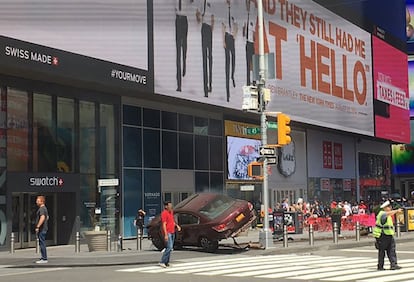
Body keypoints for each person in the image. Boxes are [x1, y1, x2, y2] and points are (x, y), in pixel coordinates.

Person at [373, 200, 403, 271]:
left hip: (388, 235)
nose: (390, 208)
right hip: (382, 235)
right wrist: (397, 211)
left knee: (391, 250)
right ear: (385, 208)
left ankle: (393, 265)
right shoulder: (382, 214)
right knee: (382, 251)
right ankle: (380, 266)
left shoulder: (386, 214)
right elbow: (389, 214)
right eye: (389, 207)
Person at [196, 0, 214, 97]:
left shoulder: (211, 3)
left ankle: (210, 85)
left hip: (209, 29)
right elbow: (198, 13)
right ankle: (205, 89)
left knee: (210, 57)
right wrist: (199, 17)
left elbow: (213, 18)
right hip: (204, 28)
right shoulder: (201, 2)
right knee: (204, 58)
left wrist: (212, 27)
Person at [222, 0, 237, 102]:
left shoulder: (234, 12)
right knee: (227, 62)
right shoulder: (223, 11)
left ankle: (232, 76)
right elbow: (223, 27)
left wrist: (235, 35)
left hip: (232, 37)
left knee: (234, 58)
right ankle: (227, 94)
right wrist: (223, 40)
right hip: (227, 37)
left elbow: (236, 25)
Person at [159, 201, 181, 268]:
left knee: (170, 248)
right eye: (169, 205)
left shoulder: (171, 212)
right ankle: (162, 261)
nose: (171, 206)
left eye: (171, 205)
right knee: (169, 247)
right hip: (168, 232)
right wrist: (165, 234)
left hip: (172, 231)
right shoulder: (164, 213)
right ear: (166, 206)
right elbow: (164, 224)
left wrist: (177, 226)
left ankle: (166, 262)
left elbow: (172, 221)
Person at [175, 0, 189, 92]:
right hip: (178, 20)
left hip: (184, 20)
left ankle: (184, 64)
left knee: (184, 47)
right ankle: (179, 85)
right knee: (178, 53)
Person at [243, 0, 255, 86]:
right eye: (246, 4)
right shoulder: (245, 17)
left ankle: (254, 81)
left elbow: (254, 33)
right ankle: (248, 82)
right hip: (247, 43)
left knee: (252, 63)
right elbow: (243, 32)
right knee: (247, 63)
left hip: (252, 43)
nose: (247, 6)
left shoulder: (252, 17)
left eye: (248, 4)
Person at [35, 195, 49, 263]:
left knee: (42, 243)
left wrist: (38, 226)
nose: (36, 202)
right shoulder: (45, 209)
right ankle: (43, 257)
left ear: (42, 201)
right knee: (41, 243)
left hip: (42, 229)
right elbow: (47, 217)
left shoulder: (42, 209)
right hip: (44, 228)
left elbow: (42, 217)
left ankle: (44, 258)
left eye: (38, 201)